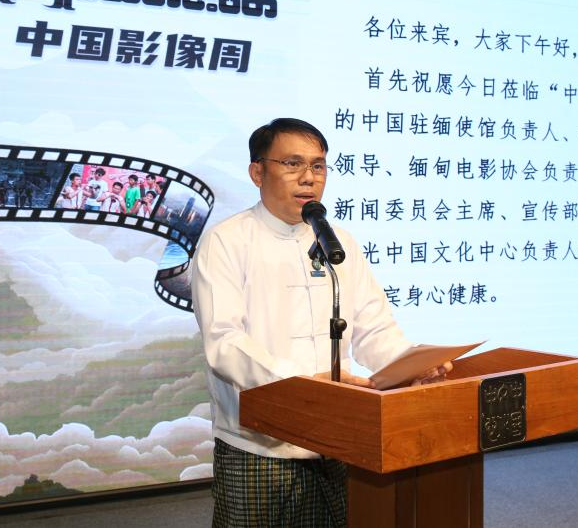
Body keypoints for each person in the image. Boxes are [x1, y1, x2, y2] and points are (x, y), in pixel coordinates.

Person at [191, 118, 451, 528]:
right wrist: (302, 383)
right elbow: (224, 342)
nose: (308, 178)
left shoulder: (338, 242)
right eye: (292, 164)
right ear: (257, 172)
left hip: (336, 437)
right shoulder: (226, 241)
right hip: (260, 444)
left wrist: (411, 367)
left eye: (318, 166)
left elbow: (373, 327)